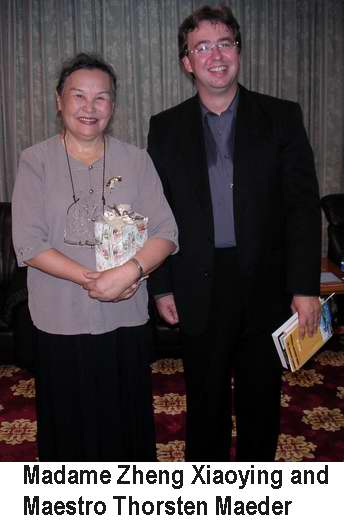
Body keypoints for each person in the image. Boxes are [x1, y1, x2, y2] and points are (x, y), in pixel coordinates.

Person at [147, 5, 321, 461]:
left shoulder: (282, 117)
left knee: (261, 398)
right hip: (197, 282)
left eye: (225, 43)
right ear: (187, 62)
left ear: (238, 52)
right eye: (201, 47)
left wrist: (305, 287)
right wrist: (161, 286)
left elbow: (302, 207)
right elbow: (157, 212)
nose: (215, 55)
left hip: (266, 284)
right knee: (204, 401)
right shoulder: (164, 128)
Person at [12, 53, 178, 462]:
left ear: (113, 105)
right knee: (68, 426)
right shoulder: (35, 161)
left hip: (124, 319)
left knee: (125, 423)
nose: (90, 107)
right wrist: (94, 279)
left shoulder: (136, 160)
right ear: (58, 101)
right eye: (78, 96)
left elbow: (166, 232)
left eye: (101, 98)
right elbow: (28, 244)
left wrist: (130, 271)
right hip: (59, 319)